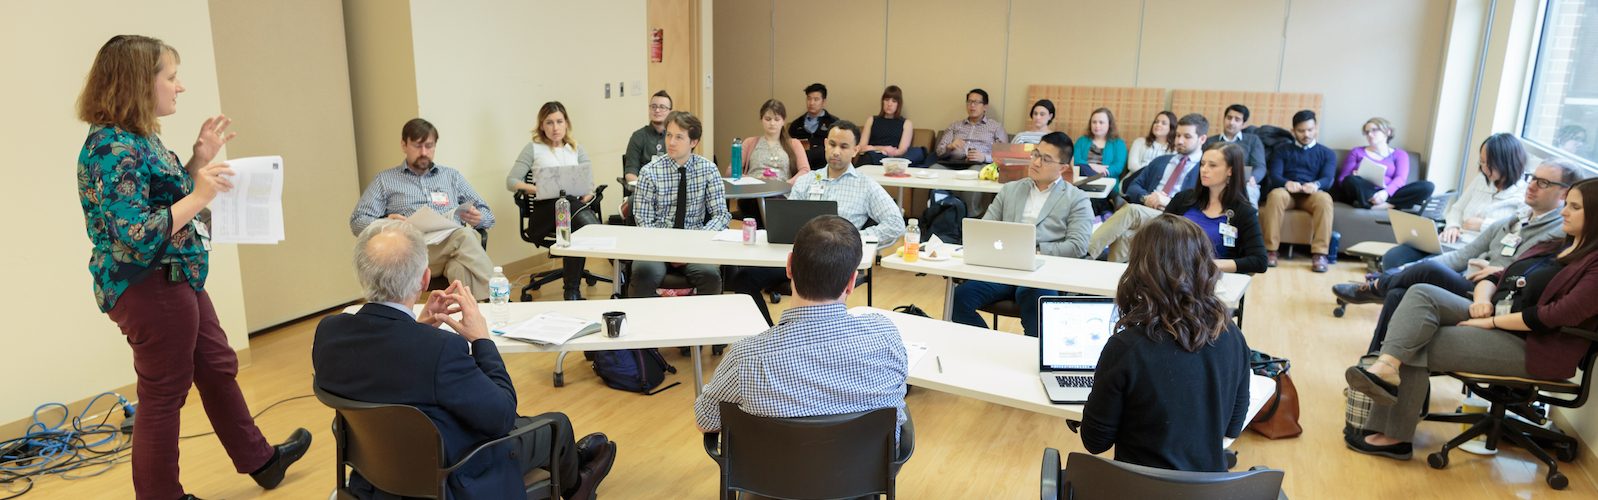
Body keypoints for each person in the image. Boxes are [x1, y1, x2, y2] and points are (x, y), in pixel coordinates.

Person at [75, 34, 310, 500]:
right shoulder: (109, 149)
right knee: (163, 393)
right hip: (147, 285)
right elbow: (135, 233)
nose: (178, 87)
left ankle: (261, 460)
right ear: (140, 83)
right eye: (171, 76)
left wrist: (199, 161)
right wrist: (200, 195)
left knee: (217, 365)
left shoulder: (139, 138)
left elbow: (165, 198)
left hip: (177, 276)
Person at [314, 221, 616, 499]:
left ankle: (578, 469)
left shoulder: (330, 334)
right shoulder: (441, 350)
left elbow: (387, 369)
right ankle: (579, 484)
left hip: (375, 469)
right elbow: (501, 416)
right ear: (424, 278)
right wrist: (482, 340)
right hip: (452, 471)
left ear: (361, 274)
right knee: (557, 425)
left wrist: (417, 330)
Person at [1344, 178, 1598, 461]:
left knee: (1418, 342)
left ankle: (1393, 437)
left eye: (1575, 207)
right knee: (1420, 293)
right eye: (1567, 204)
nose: (1564, 211)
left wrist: (1490, 323)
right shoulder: (1555, 245)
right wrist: (1481, 300)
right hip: (1497, 314)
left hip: (1533, 346)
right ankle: (1385, 367)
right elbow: (1496, 276)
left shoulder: (1595, 264)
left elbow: (1556, 316)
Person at [696, 215, 909, 441]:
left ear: (789, 266)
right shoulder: (887, 337)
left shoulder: (746, 357)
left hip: (771, 475)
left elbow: (705, 421)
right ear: (851, 282)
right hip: (867, 475)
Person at [1333, 160, 1581, 353]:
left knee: (1429, 271)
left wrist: (1494, 269)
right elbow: (1463, 256)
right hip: (1469, 280)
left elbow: (1521, 273)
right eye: (1532, 178)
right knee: (1400, 291)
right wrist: (1407, 268)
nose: (1532, 185)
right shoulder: (1515, 220)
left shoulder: (1559, 232)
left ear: (1564, 193)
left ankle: (1375, 286)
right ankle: (1375, 365)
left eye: (1544, 183)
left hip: (1491, 298)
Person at [1080, 215, 1252, 472]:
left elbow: (1095, 442)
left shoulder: (1126, 348)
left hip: (1137, 490)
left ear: (1140, 270)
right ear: (1204, 266)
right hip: (1206, 492)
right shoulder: (1232, 337)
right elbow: (1232, 427)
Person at [728, 121, 906, 325]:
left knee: (814, 292)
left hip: (835, 262)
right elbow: (788, 220)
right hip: (800, 257)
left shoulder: (865, 185)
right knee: (743, 279)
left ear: (856, 150)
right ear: (825, 144)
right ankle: (771, 334)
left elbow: (895, 223)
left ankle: (798, 335)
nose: (836, 151)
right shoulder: (808, 180)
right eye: (832, 144)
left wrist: (855, 237)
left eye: (844, 146)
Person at [949, 132, 1094, 336]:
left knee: (1035, 298)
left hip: (1043, 273)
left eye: (1045, 159)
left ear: (1062, 167)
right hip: (1005, 269)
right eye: (1035, 154)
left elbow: (1078, 246)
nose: (1035, 162)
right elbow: (985, 228)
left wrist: (1035, 251)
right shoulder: (1010, 190)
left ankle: (1031, 355)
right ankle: (991, 348)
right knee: (959, 298)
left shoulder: (1077, 199)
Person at [350, 118, 496, 300]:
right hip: (412, 254)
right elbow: (357, 221)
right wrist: (386, 223)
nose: (424, 152)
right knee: (465, 235)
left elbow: (489, 216)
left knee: (458, 267)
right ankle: (500, 296)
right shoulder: (385, 180)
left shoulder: (451, 176)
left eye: (429, 146)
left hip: (451, 250)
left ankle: (469, 319)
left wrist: (478, 218)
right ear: (404, 145)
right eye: (418, 146)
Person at [506, 101, 600, 301]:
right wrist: (538, 188)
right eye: (549, 122)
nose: (555, 128)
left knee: (574, 219)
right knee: (584, 223)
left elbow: (589, 184)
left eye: (559, 121)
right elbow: (511, 181)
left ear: (566, 123)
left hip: (573, 207)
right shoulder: (533, 148)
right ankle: (597, 234)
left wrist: (588, 194)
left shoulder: (576, 148)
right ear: (541, 126)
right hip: (546, 211)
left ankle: (571, 289)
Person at [631, 111, 731, 297]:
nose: (671, 142)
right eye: (668, 135)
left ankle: (702, 324)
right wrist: (667, 249)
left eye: (679, 137)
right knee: (644, 273)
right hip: (656, 245)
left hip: (694, 243)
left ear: (693, 142)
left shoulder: (708, 170)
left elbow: (721, 215)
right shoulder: (649, 172)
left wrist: (693, 245)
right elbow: (643, 219)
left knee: (710, 275)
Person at [1089, 114, 1209, 261]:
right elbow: (1132, 187)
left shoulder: (1205, 169)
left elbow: (1202, 203)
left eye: (1187, 136)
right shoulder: (1161, 161)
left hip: (1177, 219)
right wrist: (1147, 198)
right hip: (1148, 211)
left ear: (1202, 139)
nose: (1179, 141)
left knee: (1132, 210)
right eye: (1177, 135)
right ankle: (1112, 280)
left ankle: (1085, 253)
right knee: (1125, 235)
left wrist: (1168, 202)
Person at [1260, 110, 1337, 272]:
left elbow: (1328, 179)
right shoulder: (1282, 150)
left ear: (1316, 129)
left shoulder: (1327, 153)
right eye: (1301, 131)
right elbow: (1274, 176)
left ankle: (1320, 254)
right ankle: (1270, 250)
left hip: (1312, 194)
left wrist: (1316, 184)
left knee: (1325, 199)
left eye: (1310, 130)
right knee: (1275, 195)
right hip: (1288, 194)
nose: (1306, 134)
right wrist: (1286, 183)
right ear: (1293, 131)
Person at [1437, 133, 1530, 247]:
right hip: (1456, 241)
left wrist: (1482, 225)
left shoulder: (1523, 195)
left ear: (1507, 163)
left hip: (1482, 251)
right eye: (1482, 162)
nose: (1484, 168)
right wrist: (1452, 226)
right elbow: (1457, 209)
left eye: (1490, 164)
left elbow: (1516, 236)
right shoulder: (1481, 180)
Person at [1333, 117, 1435, 211]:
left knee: (1427, 186)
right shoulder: (1356, 152)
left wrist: (1385, 193)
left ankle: (1386, 205)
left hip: (1389, 193)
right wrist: (1354, 174)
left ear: (1387, 132)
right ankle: (1387, 204)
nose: (1369, 134)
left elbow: (1400, 179)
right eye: (1367, 132)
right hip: (1364, 191)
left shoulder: (1400, 154)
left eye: (1374, 130)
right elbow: (1342, 179)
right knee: (1350, 180)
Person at [1202, 104, 1268, 205]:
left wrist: (1253, 178)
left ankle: (1247, 219)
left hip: (1243, 182)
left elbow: (1260, 166)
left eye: (1237, 119)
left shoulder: (1253, 140)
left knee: (1249, 191)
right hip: (1215, 180)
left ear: (1243, 124)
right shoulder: (1210, 141)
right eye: (1229, 118)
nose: (1232, 122)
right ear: (1224, 119)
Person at [934, 88, 1008, 163]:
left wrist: (984, 157)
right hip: (952, 163)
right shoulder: (954, 126)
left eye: (976, 102)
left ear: (985, 107)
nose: (972, 105)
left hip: (979, 165)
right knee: (934, 170)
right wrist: (950, 147)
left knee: (974, 172)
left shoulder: (996, 127)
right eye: (969, 102)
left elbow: (1004, 155)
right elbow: (939, 152)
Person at [860, 85, 924, 166]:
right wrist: (881, 148)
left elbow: (901, 151)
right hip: (870, 156)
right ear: (882, 101)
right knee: (867, 158)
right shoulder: (871, 120)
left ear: (898, 104)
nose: (889, 104)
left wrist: (875, 148)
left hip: (892, 159)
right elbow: (862, 147)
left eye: (894, 101)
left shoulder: (906, 123)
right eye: (886, 100)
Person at [622, 90, 672, 183]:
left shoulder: (675, 137)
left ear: (670, 112)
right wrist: (645, 188)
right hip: (643, 189)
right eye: (653, 106)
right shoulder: (638, 136)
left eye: (662, 107)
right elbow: (630, 172)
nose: (657, 110)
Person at [1073, 107, 1128, 189]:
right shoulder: (1082, 141)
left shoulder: (1118, 143)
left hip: (1106, 181)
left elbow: (1118, 166)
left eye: (1101, 122)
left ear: (1109, 124)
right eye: (1094, 122)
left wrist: (1103, 173)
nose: (1097, 125)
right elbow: (1075, 161)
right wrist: (1092, 166)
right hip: (1083, 180)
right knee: (1083, 167)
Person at [789, 83, 840, 167]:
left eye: (816, 99)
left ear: (823, 102)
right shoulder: (796, 124)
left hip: (824, 164)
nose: (811, 103)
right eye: (809, 99)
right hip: (801, 163)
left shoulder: (834, 122)